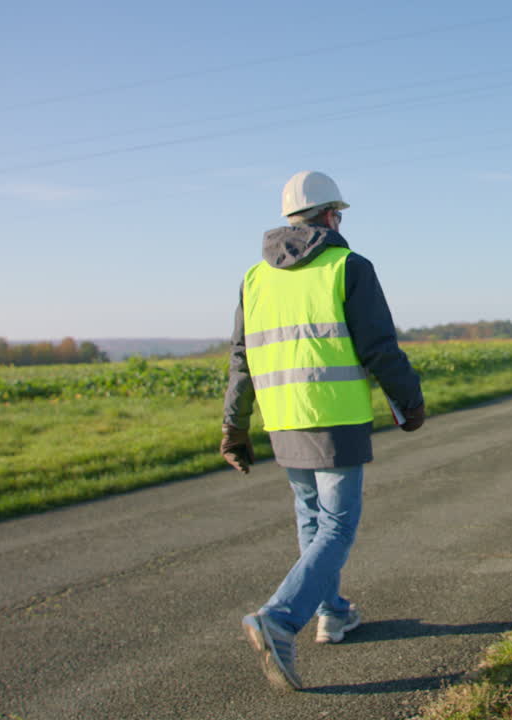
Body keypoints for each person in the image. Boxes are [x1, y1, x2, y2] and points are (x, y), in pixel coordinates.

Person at [219, 170, 426, 690]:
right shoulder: (348, 266)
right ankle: (278, 619)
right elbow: (379, 346)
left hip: (283, 418)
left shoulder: (254, 277)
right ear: (330, 216)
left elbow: (242, 359)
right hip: (334, 415)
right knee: (337, 526)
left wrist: (234, 426)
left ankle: (331, 612)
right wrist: (408, 401)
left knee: (312, 521)